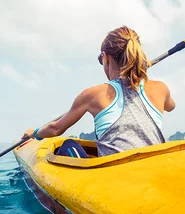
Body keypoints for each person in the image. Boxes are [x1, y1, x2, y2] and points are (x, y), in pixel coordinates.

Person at [22, 26, 176, 157]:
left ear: (106, 57)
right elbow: (171, 106)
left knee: (69, 145)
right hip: (155, 168)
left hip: (115, 177)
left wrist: (34, 133)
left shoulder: (93, 95)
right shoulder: (161, 89)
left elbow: (55, 129)